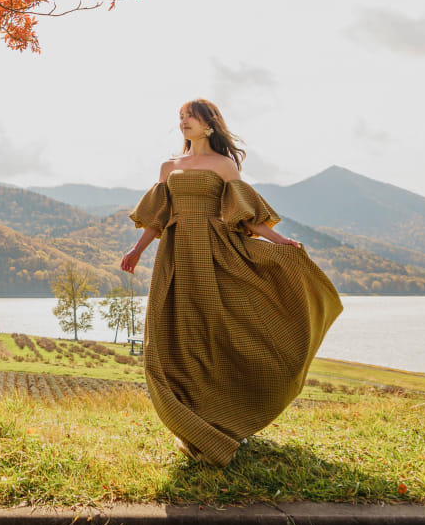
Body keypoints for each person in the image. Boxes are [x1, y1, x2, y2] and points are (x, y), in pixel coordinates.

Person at [120, 99, 342, 466]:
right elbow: (158, 220)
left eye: (190, 116)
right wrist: (136, 249)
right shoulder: (168, 167)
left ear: (209, 124)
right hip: (175, 257)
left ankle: (220, 422)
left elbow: (247, 217)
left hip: (215, 254)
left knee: (217, 334)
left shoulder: (223, 165)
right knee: (169, 337)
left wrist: (281, 242)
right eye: (180, 117)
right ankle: (191, 425)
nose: (183, 122)